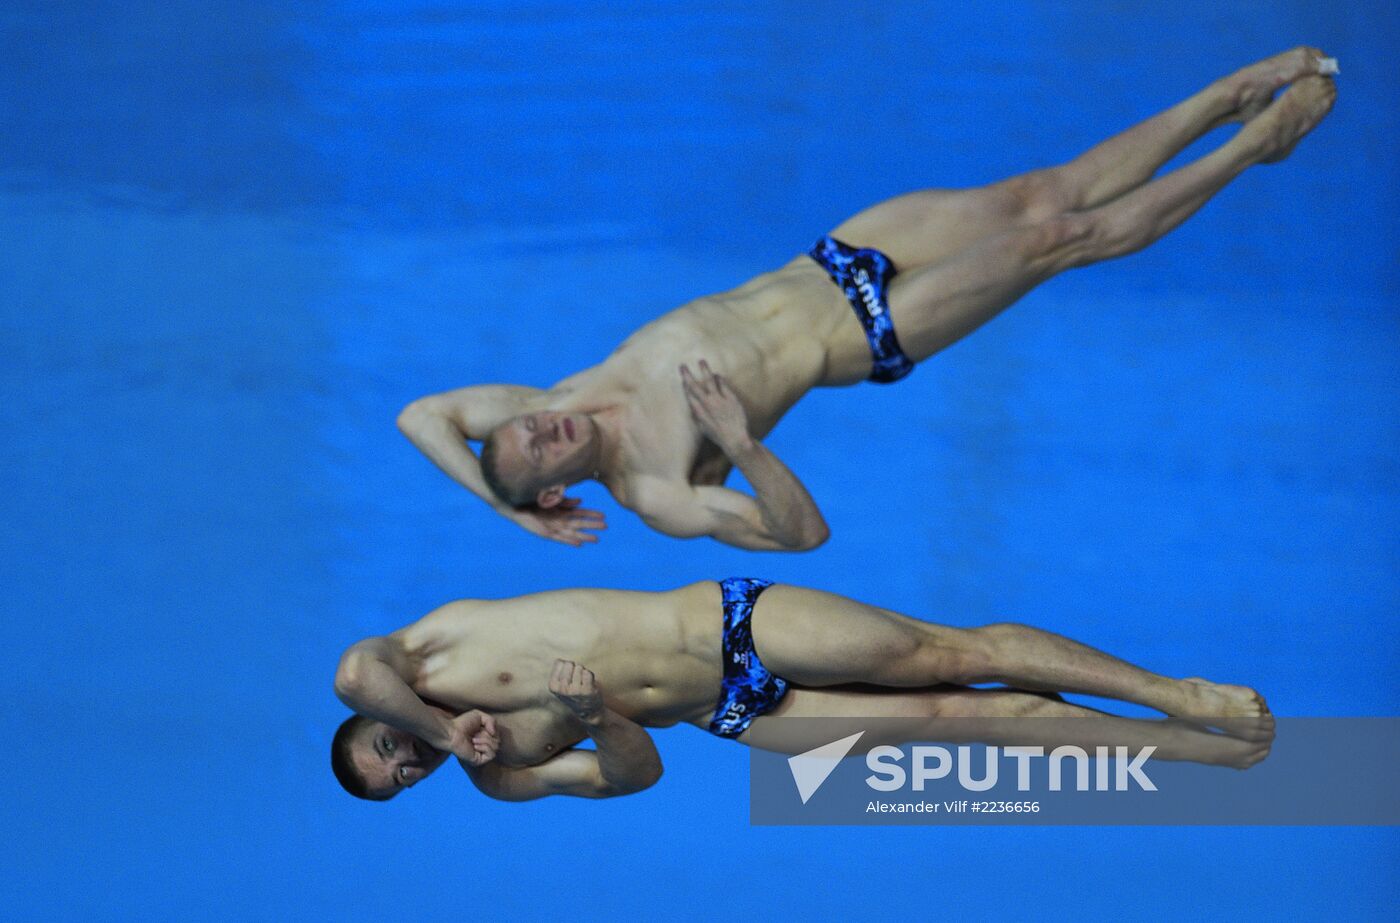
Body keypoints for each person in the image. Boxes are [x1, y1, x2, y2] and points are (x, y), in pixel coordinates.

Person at [396, 49, 1337, 551]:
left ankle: (1222, 97)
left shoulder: (558, 393)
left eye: (530, 425)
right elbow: (801, 536)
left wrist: (507, 511)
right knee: (1056, 241)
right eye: (539, 447)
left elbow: (421, 415)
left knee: (1038, 194)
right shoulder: (658, 489)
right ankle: (1252, 147)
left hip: (832, 258)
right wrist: (741, 446)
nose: (544, 426)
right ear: (560, 485)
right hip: (870, 331)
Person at [330, 579, 1273, 801]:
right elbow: (636, 775)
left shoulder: (424, 652)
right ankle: (1193, 749)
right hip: (729, 710)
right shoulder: (502, 773)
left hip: (728, 626)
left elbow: (351, 670)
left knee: (951, 654)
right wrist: (598, 716)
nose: (407, 761)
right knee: (969, 719)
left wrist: (444, 733)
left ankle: (1176, 691)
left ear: (374, 718)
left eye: (383, 747)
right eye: (401, 779)